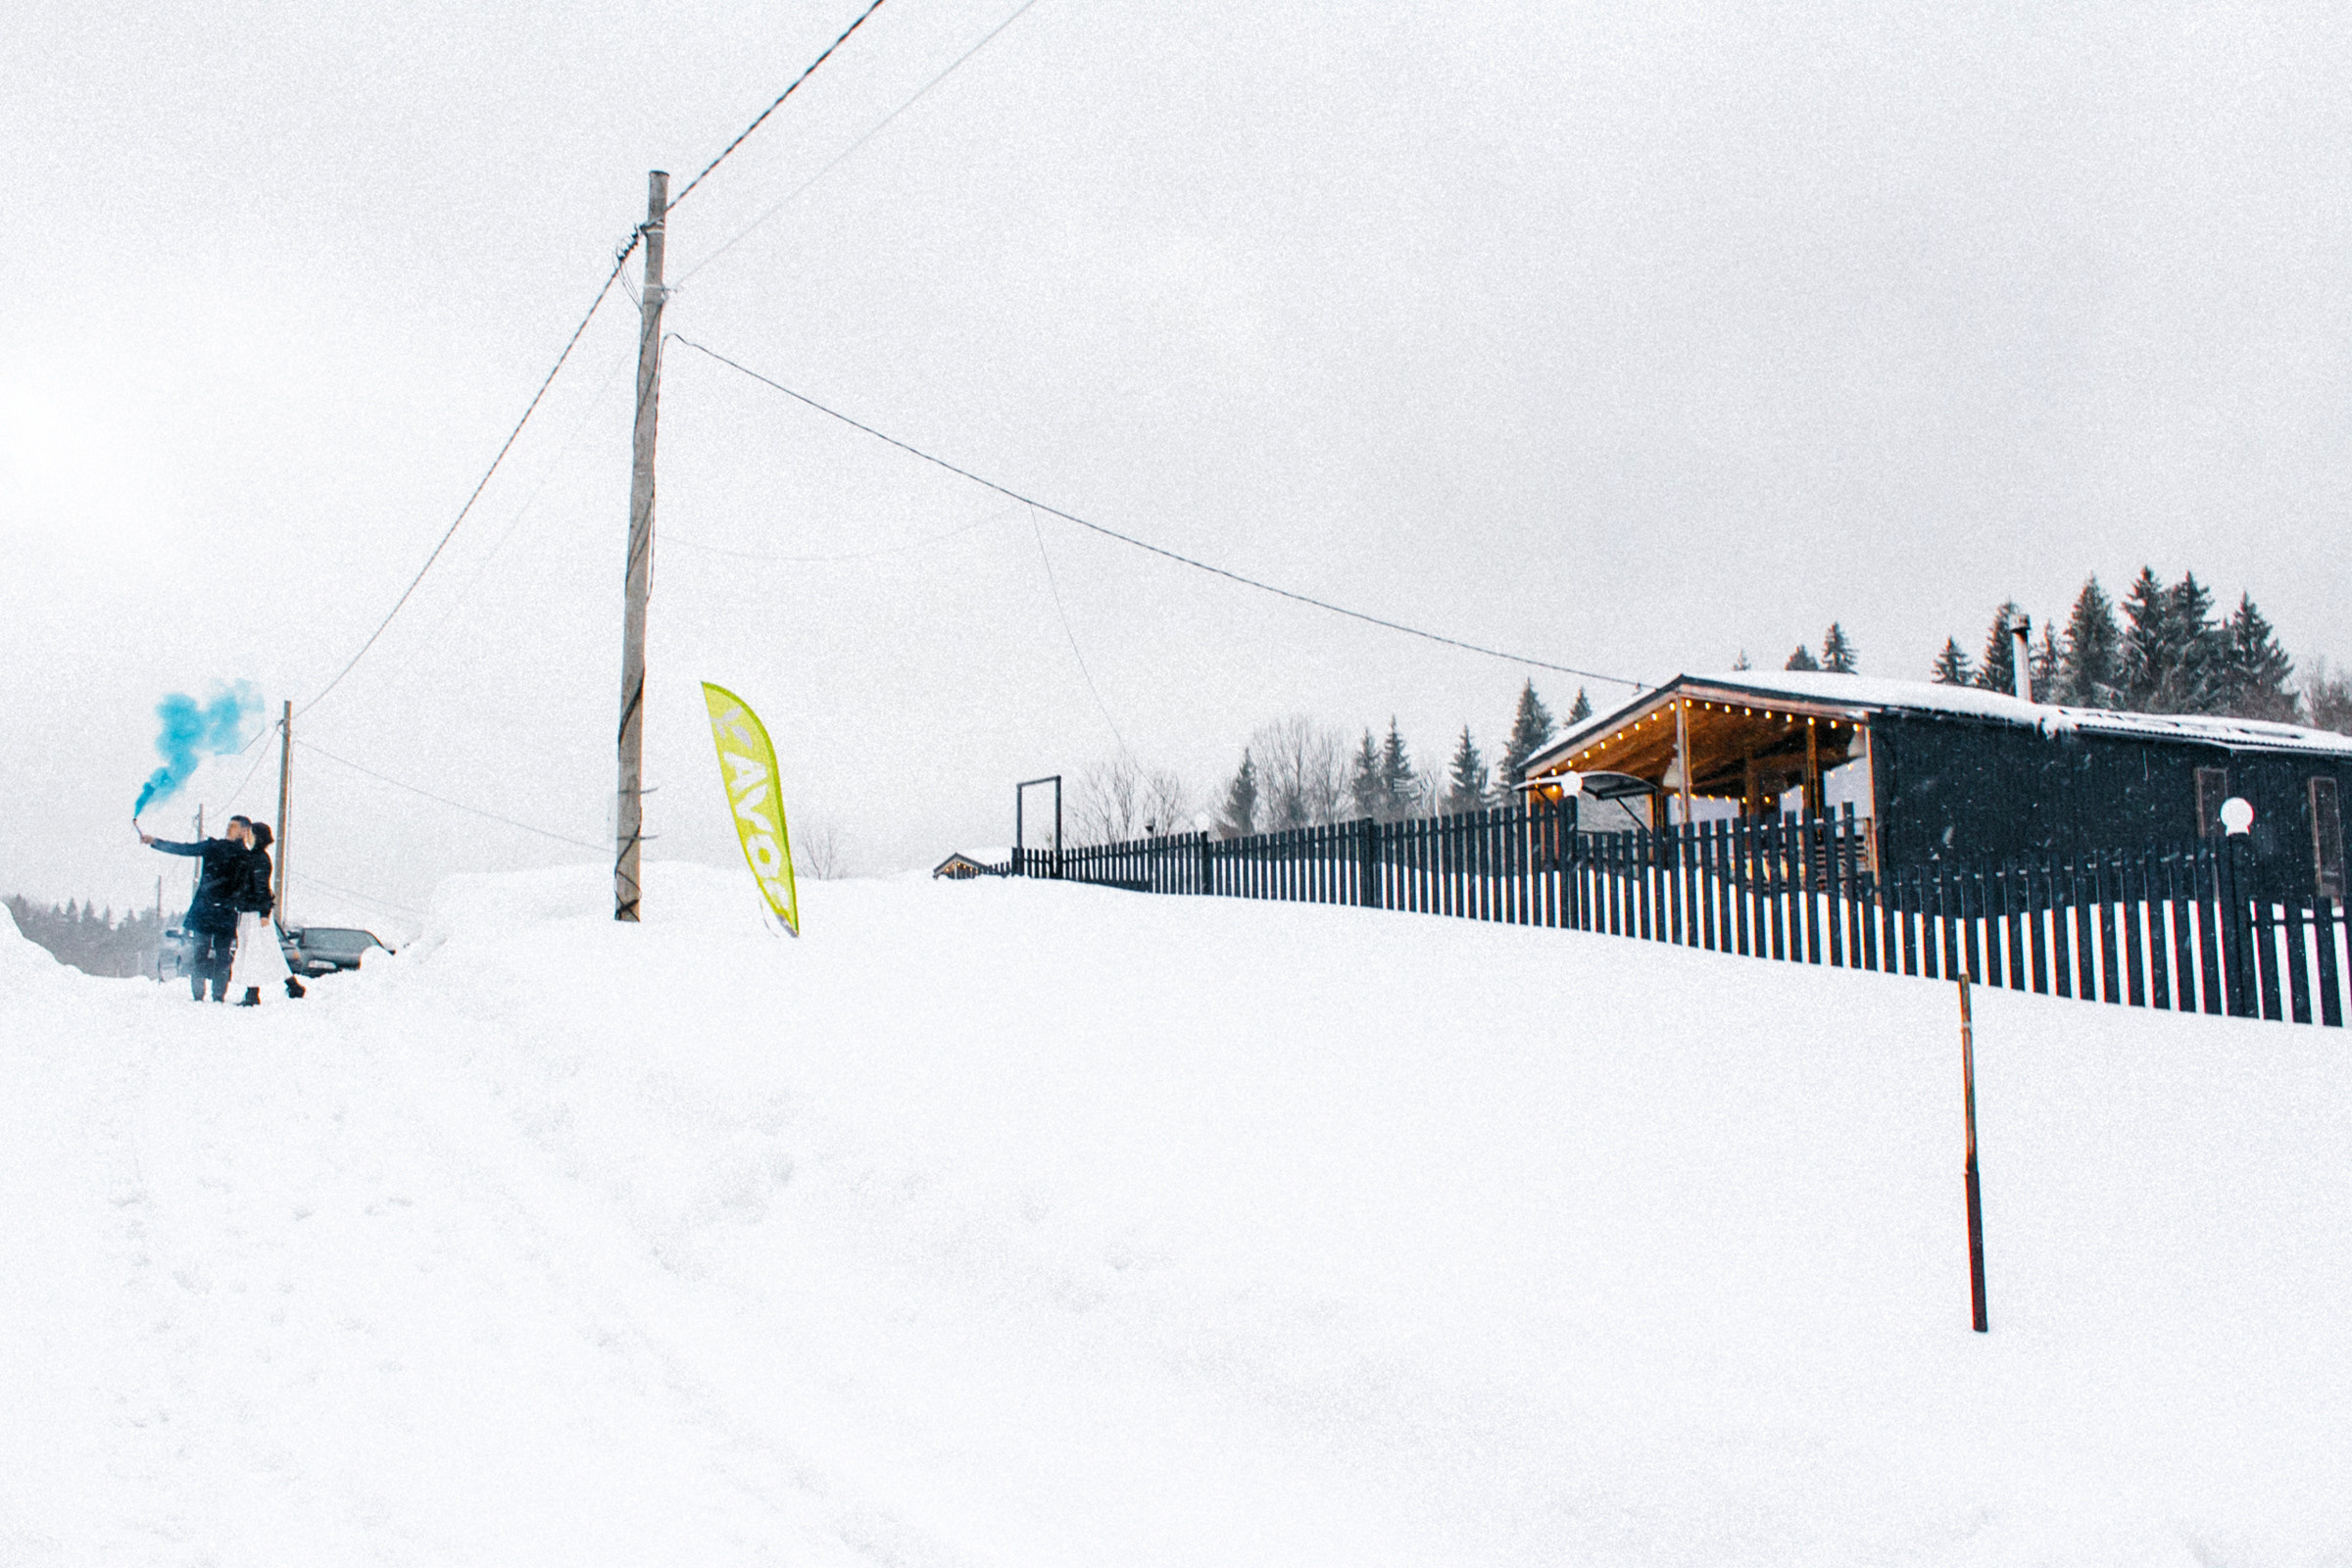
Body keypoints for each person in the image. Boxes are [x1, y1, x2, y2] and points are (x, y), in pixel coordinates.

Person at [140, 815, 253, 1002]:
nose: (228, 829)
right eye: (228, 825)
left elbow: (248, 885)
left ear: (244, 831)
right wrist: (156, 842)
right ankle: (199, 995)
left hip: (220, 911)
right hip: (211, 910)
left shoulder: (244, 856)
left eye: (233, 826)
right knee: (202, 954)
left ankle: (218, 995)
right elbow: (185, 849)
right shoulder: (216, 847)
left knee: (222, 956)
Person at [228, 821, 300, 1005]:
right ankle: (293, 986)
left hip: (254, 913)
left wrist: (264, 912)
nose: (247, 837)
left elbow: (261, 887)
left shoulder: (258, 858)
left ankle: (252, 994)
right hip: (252, 911)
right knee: (269, 950)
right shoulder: (255, 857)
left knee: (253, 951)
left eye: (250, 834)